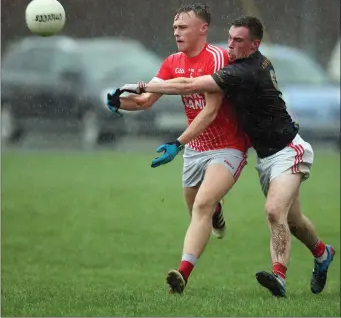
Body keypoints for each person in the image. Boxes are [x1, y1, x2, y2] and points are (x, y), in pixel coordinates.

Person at [119, 16, 335, 297]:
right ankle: (322, 253)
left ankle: (279, 277)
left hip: (288, 150)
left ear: (254, 45)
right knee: (293, 221)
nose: (230, 45)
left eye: (238, 41)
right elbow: (181, 81)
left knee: (273, 211)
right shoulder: (241, 63)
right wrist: (124, 99)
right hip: (266, 158)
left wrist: (144, 86)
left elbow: (188, 86)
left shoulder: (245, 70)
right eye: (230, 38)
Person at [107, 4, 250, 294]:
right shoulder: (172, 61)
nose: (176, 32)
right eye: (174, 28)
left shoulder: (220, 58)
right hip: (195, 148)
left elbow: (210, 111)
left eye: (183, 27)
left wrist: (177, 143)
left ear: (203, 29)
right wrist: (117, 102)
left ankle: (181, 275)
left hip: (228, 146)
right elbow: (146, 99)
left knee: (201, 205)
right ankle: (216, 211)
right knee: (196, 208)